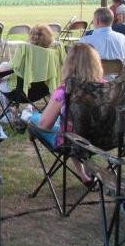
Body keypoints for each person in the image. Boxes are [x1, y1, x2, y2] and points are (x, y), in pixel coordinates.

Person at [27, 43, 104, 185]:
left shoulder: (65, 91)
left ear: (69, 64)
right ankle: (84, 174)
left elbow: (44, 125)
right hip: (101, 139)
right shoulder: (107, 87)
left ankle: (84, 174)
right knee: (73, 128)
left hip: (72, 141)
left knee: (33, 119)